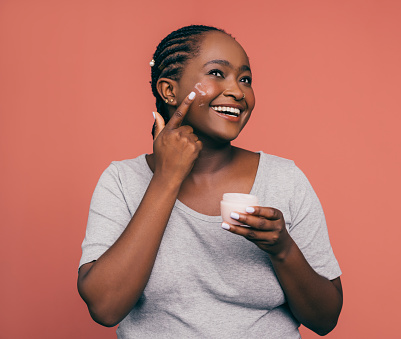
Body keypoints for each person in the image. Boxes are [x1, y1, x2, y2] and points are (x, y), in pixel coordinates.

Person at [77, 25, 343, 338]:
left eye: (245, 79)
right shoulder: (121, 181)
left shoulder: (285, 179)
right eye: (217, 73)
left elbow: (325, 320)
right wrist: (166, 179)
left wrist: (283, 249)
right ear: (169, 91)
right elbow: (105, 308)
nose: (238, 91)